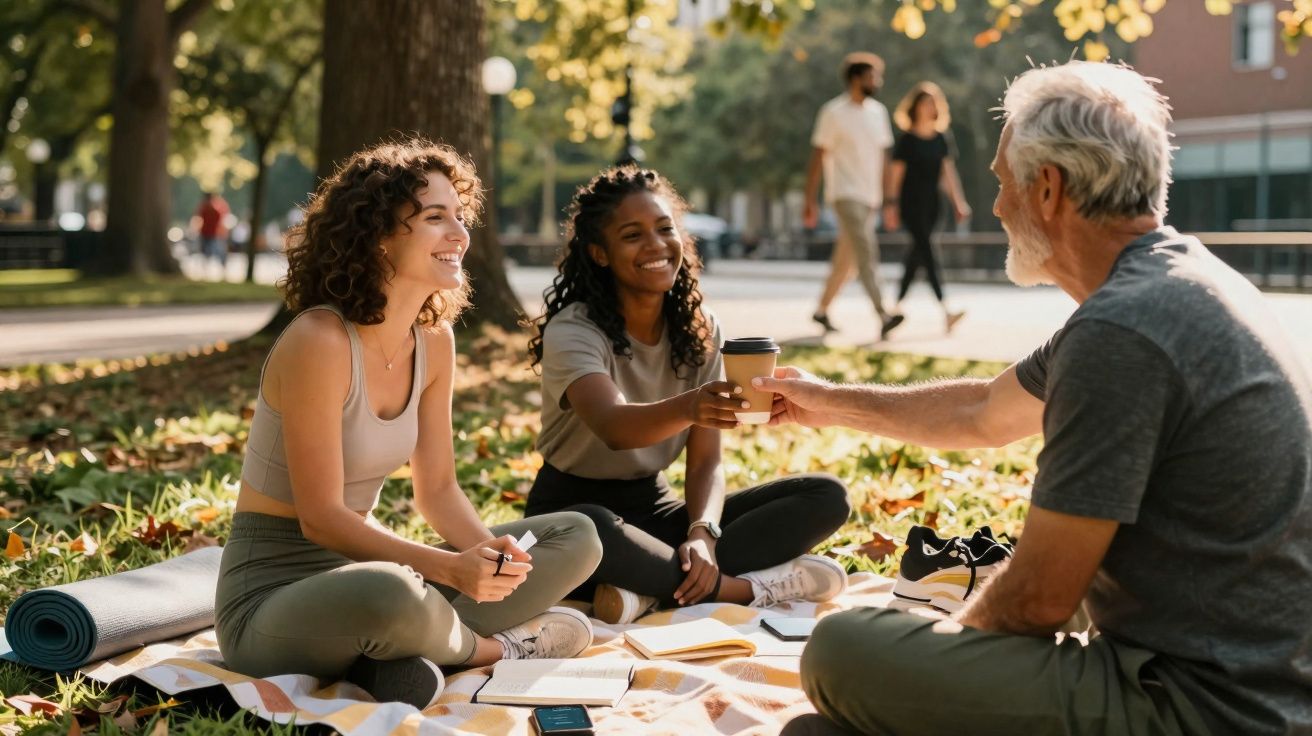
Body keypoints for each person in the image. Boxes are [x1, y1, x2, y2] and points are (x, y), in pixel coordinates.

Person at [769, 61, 1312, 735]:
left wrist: (940, 664)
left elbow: (1037, 601)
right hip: (1242, 681)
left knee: (839, 650)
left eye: (1004, 182)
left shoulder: (1123, 331)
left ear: (1048, 189)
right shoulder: (1175, 281)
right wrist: (827, 401)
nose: (997, 206)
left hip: (1206, 706)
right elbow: (982, 411)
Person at [215, 139, 604, 711]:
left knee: (577, 535)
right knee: (394, 591)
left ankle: (395, 655)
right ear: (378, 234)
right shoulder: (318, 340)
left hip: (367, 574)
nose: (460, 234)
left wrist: (487, 559)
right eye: (435, 217)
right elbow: (321, 519)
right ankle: (495, 650)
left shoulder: (434, 343)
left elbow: (439, 491)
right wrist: (449, 568)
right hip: (270, 598)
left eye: (460, 216)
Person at [525, 166, 852, 626]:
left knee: (826, 495)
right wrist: (690, 405)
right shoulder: (573, 330)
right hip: (572, 514)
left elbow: (705, 463)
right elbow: (614, 426)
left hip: (656, 511)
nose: (656, 245)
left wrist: (702, 534)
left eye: (665, 229)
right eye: (632, 235)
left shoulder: (699, 330)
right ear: (599, 253)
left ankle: (648, 591)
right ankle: (738, 590)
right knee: (592, 529)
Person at [804, 52, 904, 341]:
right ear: (856, 78)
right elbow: (818, 157)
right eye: (872, 76)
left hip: (870, 197)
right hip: (844, 194)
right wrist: (809, 199)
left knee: (845, 261)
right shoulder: (833, 112)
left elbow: (885, 159)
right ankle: (883, 313)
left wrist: (889, 200)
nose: (877, 81)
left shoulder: (878, 113)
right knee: (866, 251)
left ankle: (821, 310)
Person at [885, 82, 972, 333]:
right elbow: (895, 175)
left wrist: (958, 202)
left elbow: (948, 174)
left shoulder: (942, 138)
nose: (928, 107)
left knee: (917, 256)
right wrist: (890, 205)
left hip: (934, 205)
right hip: (910, 204)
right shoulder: (907, 140)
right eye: (924, 103)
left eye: (932, 103)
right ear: (915, 107)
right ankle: (946, 310)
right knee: (928, 252)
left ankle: (894, 310)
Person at [193, 191, 230, 271]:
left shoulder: (215, 207)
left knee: (216, 250)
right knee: (208, 251)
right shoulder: (205, 207)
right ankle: (206, 268)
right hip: (207, 233)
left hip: (214, 234)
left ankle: (221, 266)